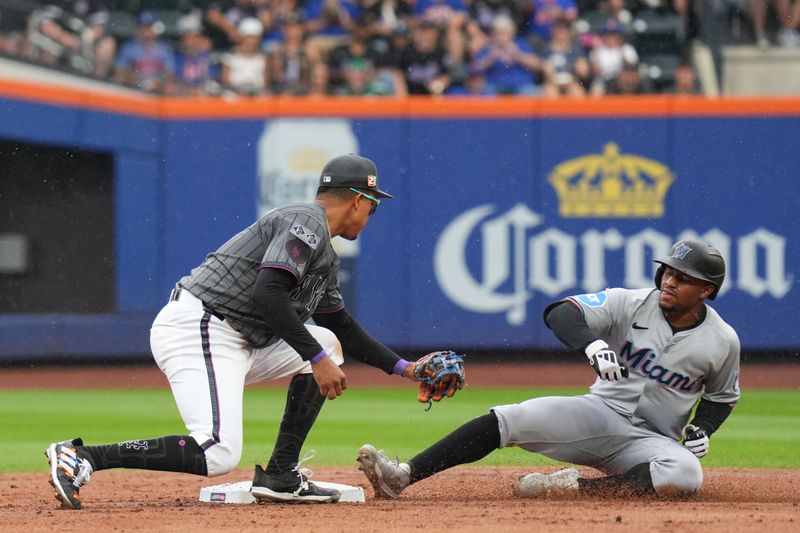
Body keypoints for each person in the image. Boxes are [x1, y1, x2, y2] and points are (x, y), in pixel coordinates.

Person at [46, 154, 440, 509]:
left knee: (327, 341)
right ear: (357, 199)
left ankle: (282, 476)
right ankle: (84, 457)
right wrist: (315, 360)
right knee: (217, 452)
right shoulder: (306, 221)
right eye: (373, 205)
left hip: (240, 338)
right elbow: (268, 293)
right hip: (201, 325)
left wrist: (406, 368)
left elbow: (342, 325)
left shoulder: (323, 253)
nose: (372, 214)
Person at [358, 239, 740, 500]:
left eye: (683, 277)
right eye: (668, 271)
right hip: (599, 415)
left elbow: (721, 398)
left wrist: (703, 428)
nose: (670, 281)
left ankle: (574, 489)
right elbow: (562, 312)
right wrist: (593, 345)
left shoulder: (722, 340)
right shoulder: (631, 303)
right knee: (510, 418)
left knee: (684, 474)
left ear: (706, 290)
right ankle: (401, 476)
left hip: (648, 442)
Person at [113, 11, 177, 93]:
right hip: (133, 90)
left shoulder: (164, 49)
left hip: (158, 92)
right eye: (143, 27)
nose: (146, 31)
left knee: (171, 88)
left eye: (149, 27)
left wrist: (159, 83)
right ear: (138, 29)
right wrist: (136, 80)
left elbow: (170, 75)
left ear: (155, 29)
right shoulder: (128, 48)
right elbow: (119, 74)